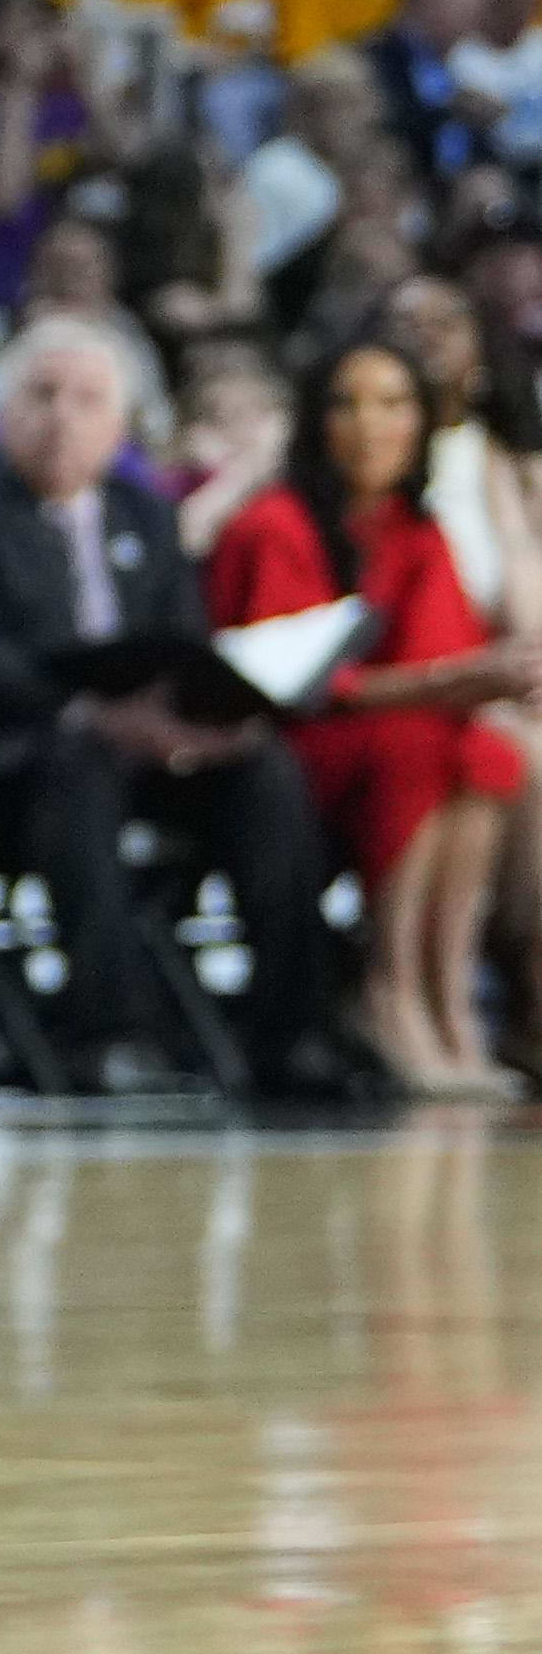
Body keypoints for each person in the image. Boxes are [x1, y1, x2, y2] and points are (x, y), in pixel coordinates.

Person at [0, 320, 335, 1089]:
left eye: (87, 399)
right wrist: (85, 715)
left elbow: (182, 638)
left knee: (263, 768)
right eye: (41, 395)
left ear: (120, 424)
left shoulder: (144, 512)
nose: (62, 416)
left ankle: (289, 1036)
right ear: (1, 413)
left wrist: (202, 718)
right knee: (82, 757)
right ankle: (107, 1034)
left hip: (144, 749)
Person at [207, 338, 540, 1095]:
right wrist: (460, 678)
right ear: (315, 422)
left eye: (393, 403)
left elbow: (442, 670)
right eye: (348, 403)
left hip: (392, 728)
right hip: (282, 750)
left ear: (422, 422)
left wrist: (486, 677)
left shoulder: (417, 529)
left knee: (486, 752)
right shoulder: (274, 524)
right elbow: (288, 685)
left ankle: (447, 998)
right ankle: (388, 989)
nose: (370, 424)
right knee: (422, 748)